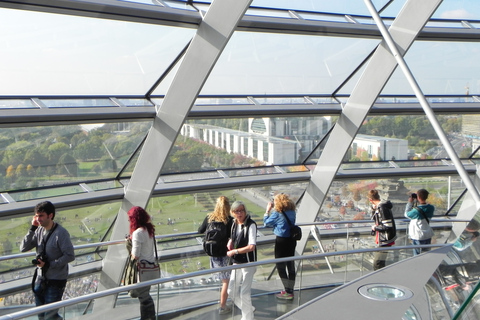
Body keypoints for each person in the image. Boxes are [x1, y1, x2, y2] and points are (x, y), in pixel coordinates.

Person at [20, 201, 75, 320]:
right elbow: (23, 248)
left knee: (50, 316)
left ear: (50, 215)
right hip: (40, 279)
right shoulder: (38, 230)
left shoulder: (61, 233)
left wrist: (50, 264)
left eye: (41, 216)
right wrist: (32, 228)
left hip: (56, 280)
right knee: (41, 315)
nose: (38, 219)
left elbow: (70, 255)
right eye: (36, 216)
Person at [198, 196, 234, 314]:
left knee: (222, 280)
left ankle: (222, 302)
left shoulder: (210, 217)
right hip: (224, 254)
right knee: (226, 281)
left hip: (212, 253)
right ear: (228, 206)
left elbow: (200, 230)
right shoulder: (229, 220)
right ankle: (223, 306)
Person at [226, 201, 257, 320]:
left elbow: (251, 246)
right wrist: (230, 240)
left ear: (245, 211)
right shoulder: (234, 224)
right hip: (237, 262)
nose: (240, 213)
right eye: (237, 211)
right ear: (233, 213)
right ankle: (248, 309)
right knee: (231, 290)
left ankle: (247, 317)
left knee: (244, 292)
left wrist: (235, 251)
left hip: (248, 262)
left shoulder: (251, 225)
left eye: (242, 210)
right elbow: (234, 236)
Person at [264, 193, 297, 300]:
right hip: (291, 241)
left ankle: (287, 291)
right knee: (290, 265)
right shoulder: (292, 211)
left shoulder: (277, 213)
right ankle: (290, 289)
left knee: (280, 266)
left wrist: (267, 211)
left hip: (281, 241)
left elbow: (267, 223)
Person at [127, 206, 157, 320]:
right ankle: (150, 317)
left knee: (143, 297)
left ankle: (147, 317)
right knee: (145, 295)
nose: (129, 221)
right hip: (150, 266)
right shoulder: (149, 230)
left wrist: (129, 245)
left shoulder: (138, 233)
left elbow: (136, 254)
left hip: (142, 269)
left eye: (130, 219)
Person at [368, 190, 396, 270]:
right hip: (385, 238)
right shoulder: (382, 207)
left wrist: (375, 228)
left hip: (385, 239)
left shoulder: (382, 208)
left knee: (377, 263)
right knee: (380, 262)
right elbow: (376, 219)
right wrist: (373, 209)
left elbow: (387, 226)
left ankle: (380, 280)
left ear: (371, 200)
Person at [404, 189, 435, 255]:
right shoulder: (431, 208)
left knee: (417, 255)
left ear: (419, 197)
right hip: (427, 234)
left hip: (418, 235)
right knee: (426, 254)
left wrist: (410, 203)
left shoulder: (416, 211)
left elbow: (406, 214)